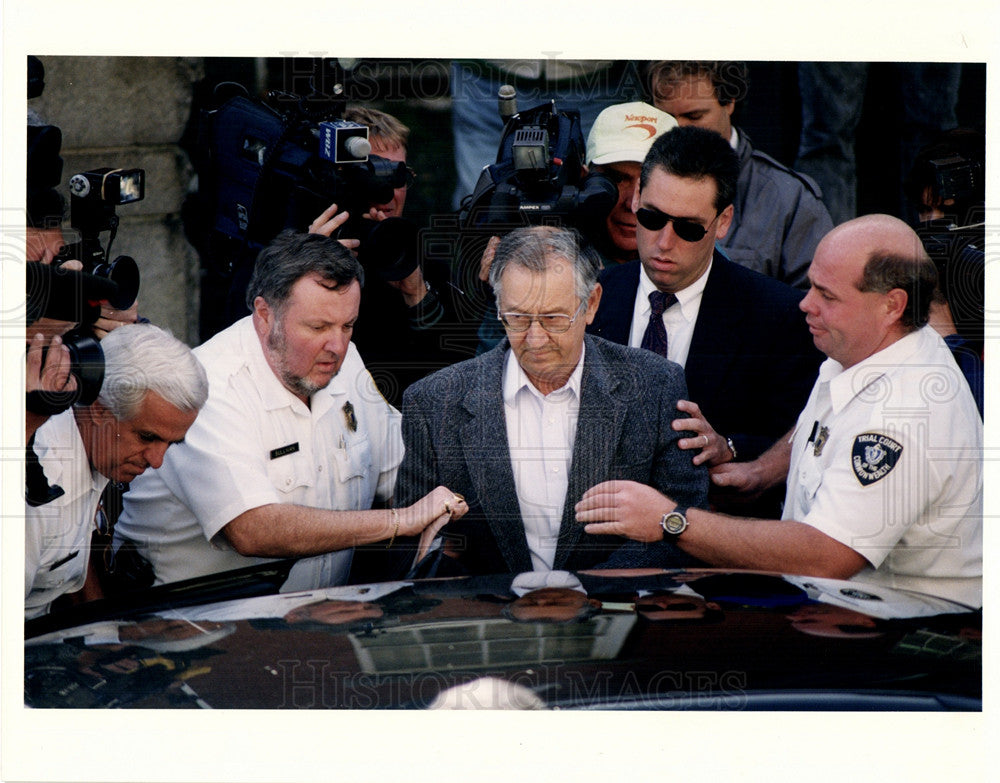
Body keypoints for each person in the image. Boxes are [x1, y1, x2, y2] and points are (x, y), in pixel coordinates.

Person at [577, 214, 983, 608]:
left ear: (892, 305)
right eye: (811, 287)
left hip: (907, 642)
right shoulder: (869, 345)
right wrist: (760, 472)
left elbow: (827, 556)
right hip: (832, 612)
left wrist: (670, 520)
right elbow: (824, 424)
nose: (806, 304)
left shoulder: (905, 411)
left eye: (827, 295)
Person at [114, 230, 467, 589]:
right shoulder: (209, 383)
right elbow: (252, 529)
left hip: (321, 621)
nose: (337, 345)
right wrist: (398, 521)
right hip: (193, 624)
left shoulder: (346, 363)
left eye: (348, 326)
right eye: (317, 327)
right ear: (265, 315)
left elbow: (407, 471)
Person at [393, 225, 708, 577]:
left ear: (590, 305)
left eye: (553, 319)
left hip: (614, 618)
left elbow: (685, 525)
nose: (535, 338)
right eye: (517, 318)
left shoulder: (655, 385)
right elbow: (408, 545)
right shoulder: (435, 402)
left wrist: (588, 592)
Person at [588, 125, 822, 516]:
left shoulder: (778, 316)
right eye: (652, 218)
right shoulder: (592, 296)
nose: (664, 242)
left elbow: (806, 431)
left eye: (688, 228)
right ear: (636, 202)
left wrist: (727, 446)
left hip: (714, 537)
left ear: (724, 221)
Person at [25, 323, 208, 618]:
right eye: (147, 437)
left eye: (170, 443)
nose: (157, 461)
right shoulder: (39, 485)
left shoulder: (99, 449)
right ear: (99, 410)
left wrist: (104, 639)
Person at [647, 60, 833, 290]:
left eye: (694, 116)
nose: (677, 129)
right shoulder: (634, 174)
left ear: (730, 102)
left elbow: (816, 306)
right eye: (664, 117)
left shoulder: (789, 200)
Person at [582, 101, 678, 266]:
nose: (632, 205)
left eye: (649, 183)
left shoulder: (701, 257)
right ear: (584, 179)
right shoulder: (553, 256)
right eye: (617, 180)